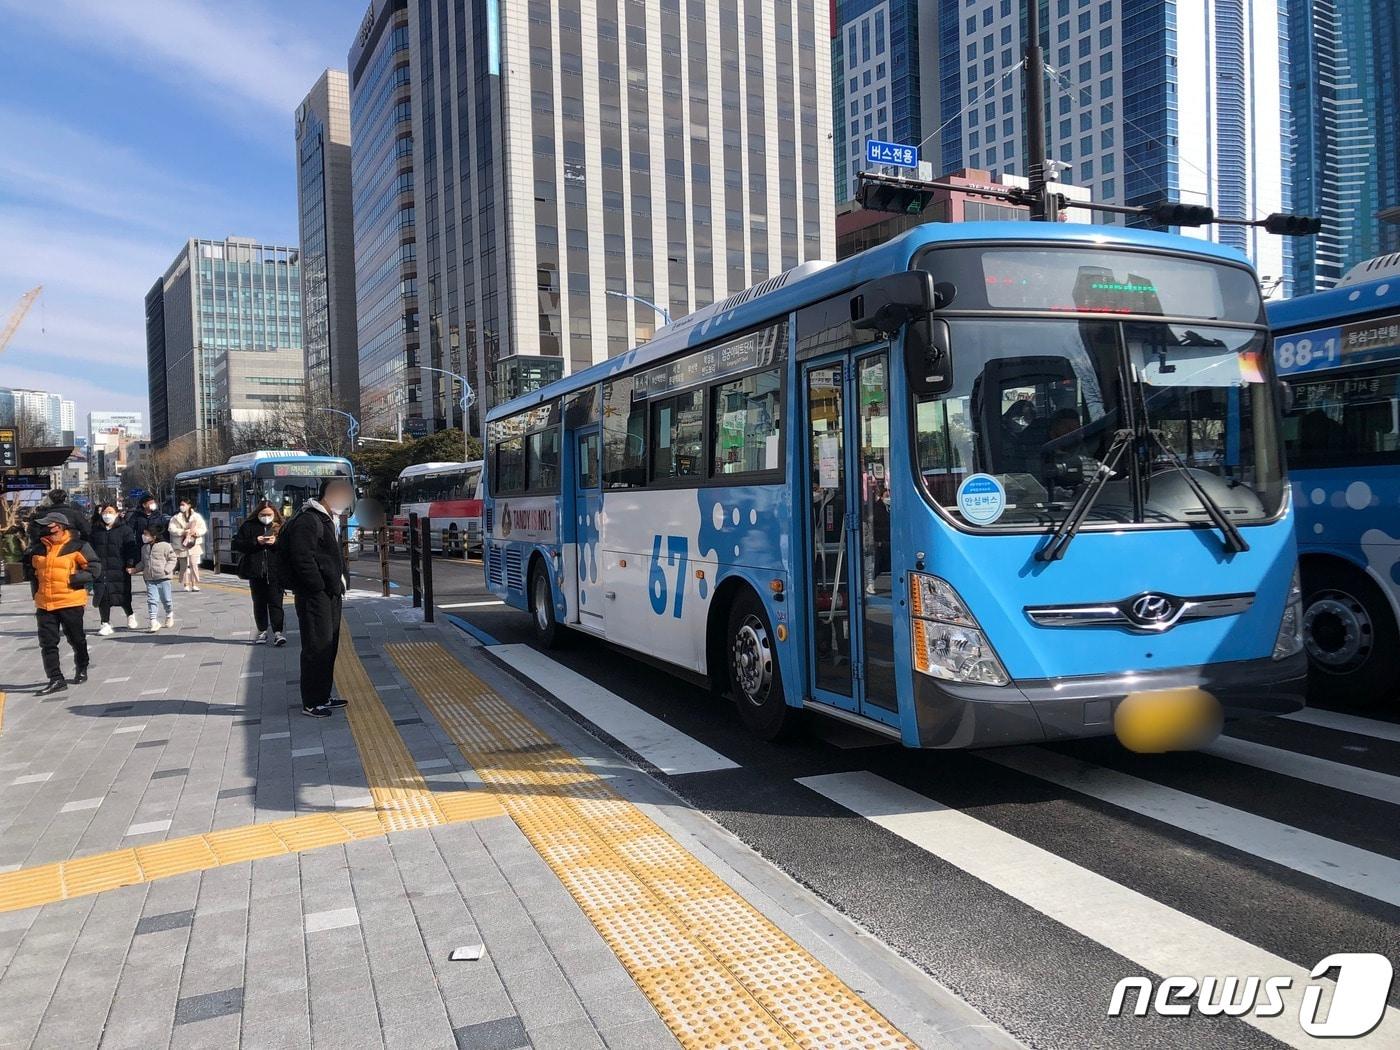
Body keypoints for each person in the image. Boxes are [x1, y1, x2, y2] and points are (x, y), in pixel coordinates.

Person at [278, 476, 353, 717]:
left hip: (329, 592)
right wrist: (317, 585)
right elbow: (302, 558)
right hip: (314, 595)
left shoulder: (327, 518)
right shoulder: (309, 519)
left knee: (329, 644)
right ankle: (311, 702)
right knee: (316, 645)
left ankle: (323, 695)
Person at [23, 512, 101, 695]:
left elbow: (94, 568)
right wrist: (36, 593)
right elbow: (31, 573)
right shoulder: (38, 549)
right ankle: (56, 678)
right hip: (45, 604)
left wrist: (72, 579)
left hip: (70, 601)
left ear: (60, 526)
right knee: (47, 643)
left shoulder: (77, 546)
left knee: (76, 638)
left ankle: (82, 666)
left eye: (48, 526)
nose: (45, 530)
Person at [232, 500, 287, 646]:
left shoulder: (280, 527)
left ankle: (278, 632)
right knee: (259, 602)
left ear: (275, 514)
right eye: (263, 514)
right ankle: (262, 631)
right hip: (256, 571)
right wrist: (256, 541)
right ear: (257, 514)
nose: (266, 517)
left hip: (275, 571)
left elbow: (289, 546)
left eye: (269, 514)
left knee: (276, 602)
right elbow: (236, 544)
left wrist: (276, 542)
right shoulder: (249, 526)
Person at [89, 503, 139, 636]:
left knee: (123, 595)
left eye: (110, 512)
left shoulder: (125, 530)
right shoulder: (95, 530)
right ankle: (105, 623)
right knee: (102, 596)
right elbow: (89, 549)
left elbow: (131, 549)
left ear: (117, 514)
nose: (107, 515)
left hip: (119, 568)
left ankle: (130, 615)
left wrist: (130, 564)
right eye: (105, 512)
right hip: (101, 569)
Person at [139, 522, 179, 632]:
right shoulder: (144, 548)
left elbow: (173, 558)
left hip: (163, 578)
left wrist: (166, 570)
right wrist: (135, 569)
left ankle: (169, 614)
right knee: (152, 599)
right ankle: (153, 621)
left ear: (154, 536)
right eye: (144, 534)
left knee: (166, 599)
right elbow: (143, 563)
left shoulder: (165, 546)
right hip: (149, 578)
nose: (144, 536)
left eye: (146, 534)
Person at [168, 498, 207, 591]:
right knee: (183, 565)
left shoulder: (196, 517)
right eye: (181, 504)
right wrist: (182, 532)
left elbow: (203, 528)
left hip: (194, 543)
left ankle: (194, 583)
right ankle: (186, 584)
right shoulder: (175, 517)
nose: (182, 506)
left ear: (189, 505)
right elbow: (171, 529)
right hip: (180, 544)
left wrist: (195, 533)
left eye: (183, 504)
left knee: (194, 564)